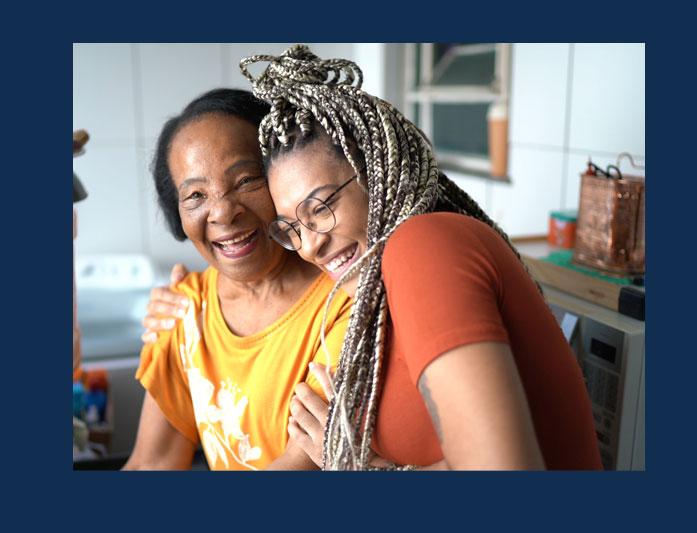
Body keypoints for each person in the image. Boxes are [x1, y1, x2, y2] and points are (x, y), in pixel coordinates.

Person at [147, 45, 602, 470]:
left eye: (321, 207)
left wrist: (354, 466)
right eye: (292, 227)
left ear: (379, 174)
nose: (309, 245)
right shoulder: (379, 289)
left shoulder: (423, 246)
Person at [122, 88, 352, 470]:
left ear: (285, 176)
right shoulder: (185, 310)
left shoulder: (343, 301)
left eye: (246, 180)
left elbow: (300, 467)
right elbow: (151, 464)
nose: (223, 213)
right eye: (195, 195)